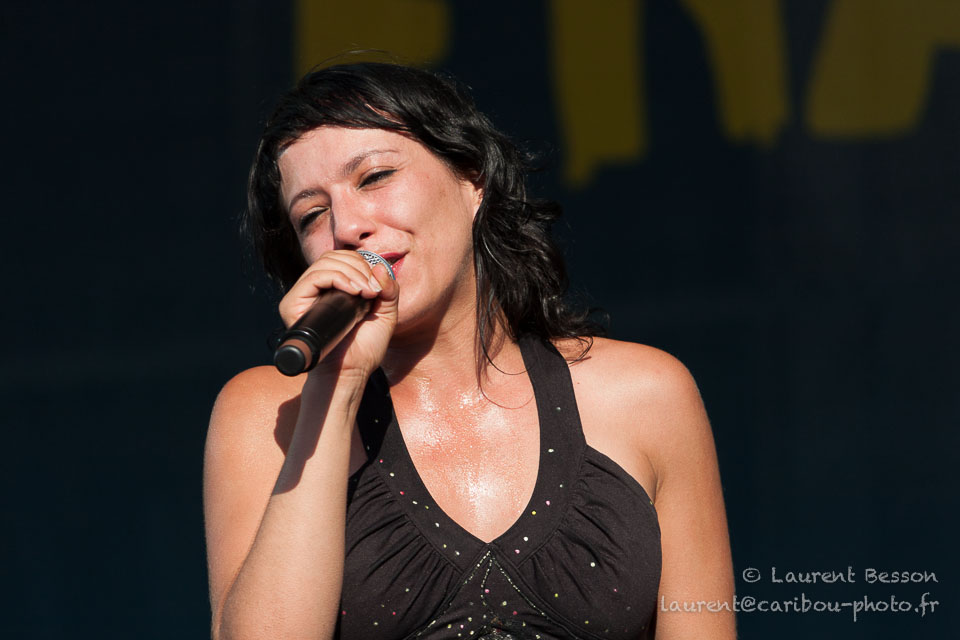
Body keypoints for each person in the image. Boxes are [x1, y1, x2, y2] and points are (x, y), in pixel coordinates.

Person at [204, 62, 735, 640]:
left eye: (375, 176)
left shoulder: (646, 394)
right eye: (312, 214)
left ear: (472, 179)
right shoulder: (269, 414)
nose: (348, 226)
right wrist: (336, 386)